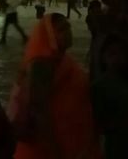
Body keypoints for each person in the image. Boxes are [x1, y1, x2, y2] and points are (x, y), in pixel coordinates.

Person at [9, 13, 100, 159]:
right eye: (62, 30)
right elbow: (38, 112)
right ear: (49, 35)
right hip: (48, 147)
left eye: (68, 27)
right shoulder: (41, 65)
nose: (68, 33)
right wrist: (56, 152)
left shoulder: (61, 59)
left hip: (67, 139)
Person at [91, 34, 128, 159]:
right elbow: (98, 122)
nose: (117, 58)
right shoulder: (100, 85)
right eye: (112, 54)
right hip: (118, 145)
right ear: (103, 57)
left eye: (121, 53)